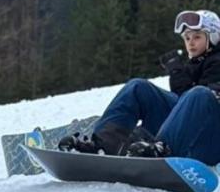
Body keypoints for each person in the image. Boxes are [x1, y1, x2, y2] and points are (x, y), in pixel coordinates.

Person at [58, 9, 220, 162]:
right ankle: (104, 146)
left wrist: (178, 74)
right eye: (187, 38)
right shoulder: (193, 65)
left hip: (211, 142)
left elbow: (200, 102)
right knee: (138, 87)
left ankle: (162, 151)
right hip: (187, 138)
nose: (191, 43)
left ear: (212, 37)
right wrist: (179, 73)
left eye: (197, 37)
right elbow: (183, 102)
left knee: (200, 94)